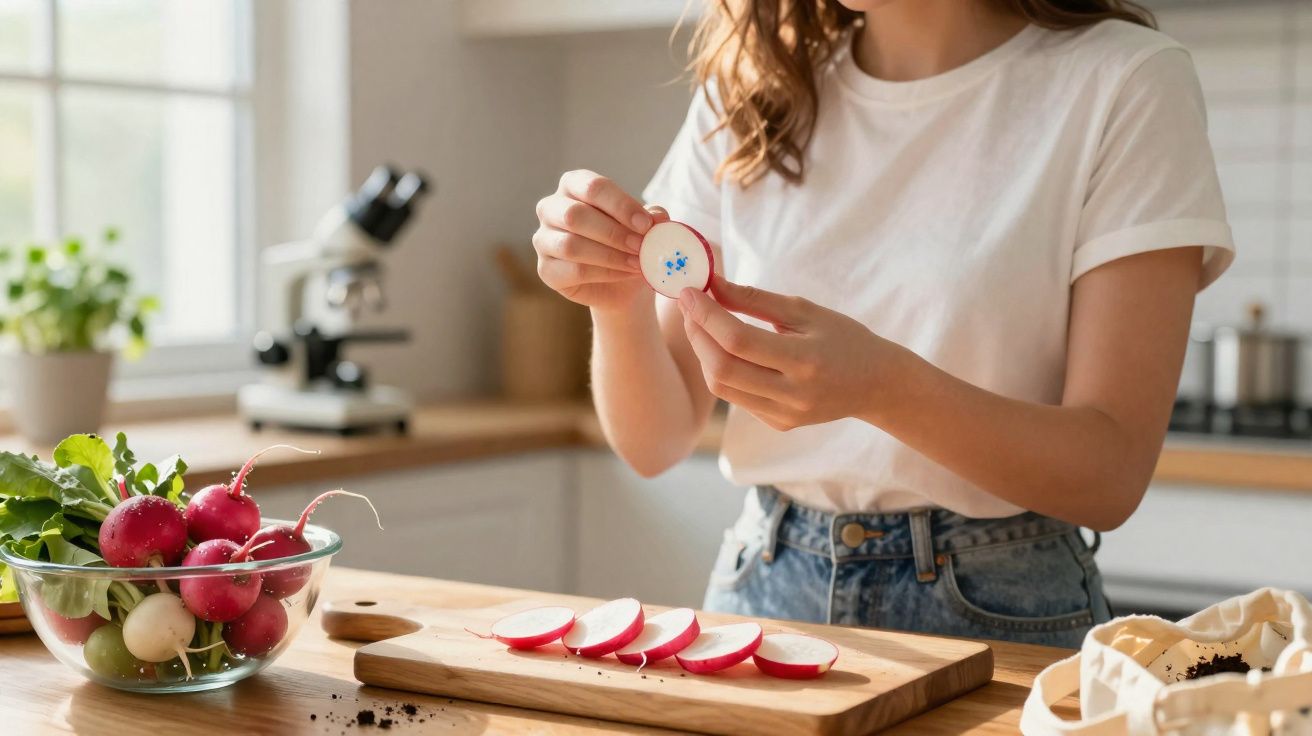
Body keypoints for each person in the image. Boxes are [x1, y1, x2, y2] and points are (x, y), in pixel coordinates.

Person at [532, 0, 1232, 647]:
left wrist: (885, 389)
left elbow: (1109, 477)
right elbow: (654, 442)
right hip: (760, 595)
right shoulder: (749, 90)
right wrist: (614, 301)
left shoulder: (1124, 81)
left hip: (999, 611)